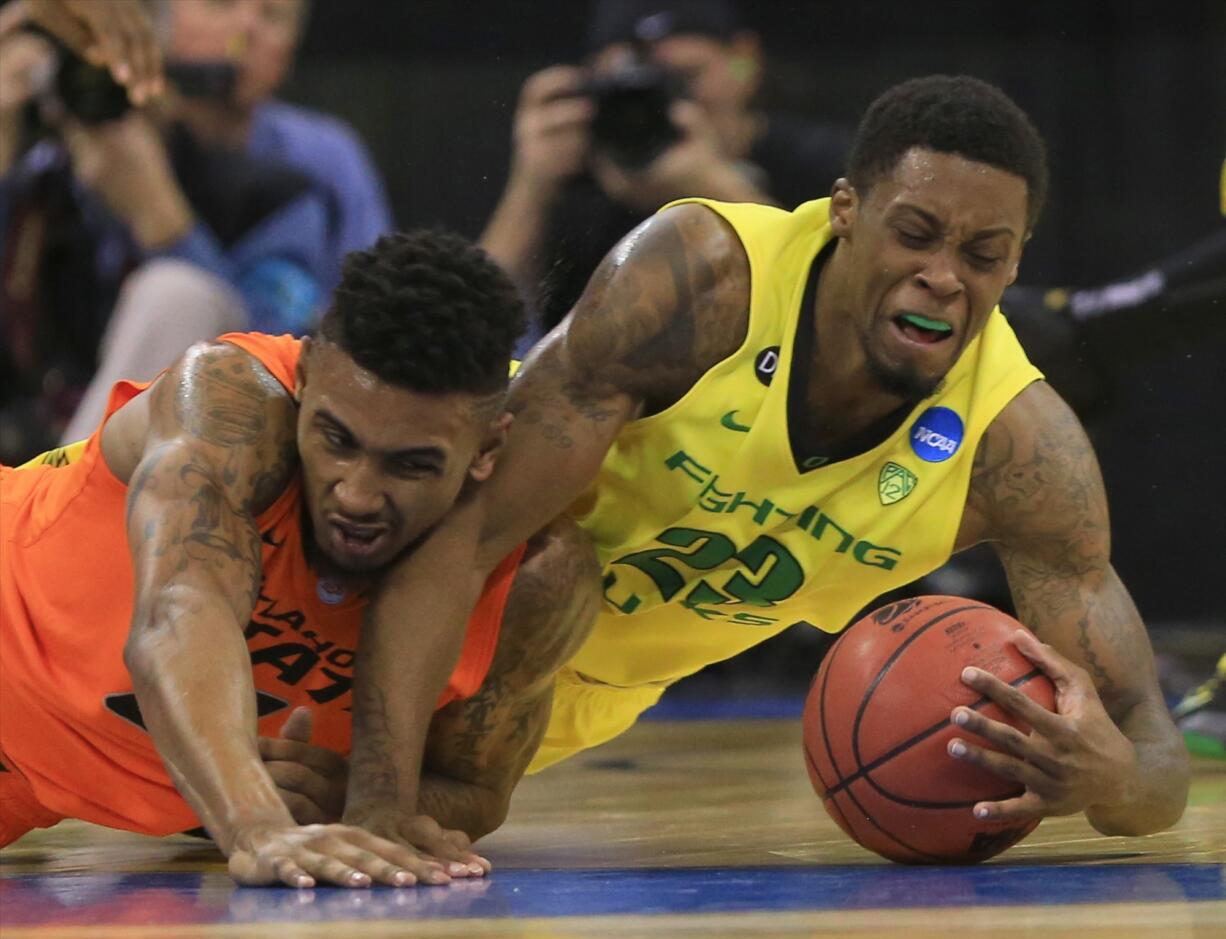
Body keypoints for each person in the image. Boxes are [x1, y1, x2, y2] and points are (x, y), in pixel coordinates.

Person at [338, 75, 1189, 846]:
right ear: (847, 210)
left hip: (571, 697)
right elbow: (471, 536)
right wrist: (376, 793)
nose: (942, 276)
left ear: (1017, 258)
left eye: (982, 254)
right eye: (916, 234)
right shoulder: (703, 280)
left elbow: (1155, 756)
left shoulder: (1019, 449)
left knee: (307, 831)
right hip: (393, 581)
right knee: (548, 570)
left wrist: (1107, 773)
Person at [0, 229, 601, 888]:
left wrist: (355, 794)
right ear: (308, 378)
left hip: (36, 789)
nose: (358, 493)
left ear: (488, 448)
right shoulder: (232, 403)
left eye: (411, 464)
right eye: (337, 439)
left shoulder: (536, 578)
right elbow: (180, 608)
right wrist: (258, 828)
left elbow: (474, 789)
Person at [0, 0, 393, 456]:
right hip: (38, 441)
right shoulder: (45, 175)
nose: (245, 27)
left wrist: (162, 220)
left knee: (176, 293)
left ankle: (55, 511)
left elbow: (283, 358)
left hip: (216, 450)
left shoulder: (283, 189)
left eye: (271, 16)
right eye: (220, 3)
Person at [480, 0, 849, 342]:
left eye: (684, 79)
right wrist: (529, 190)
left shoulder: (823, 164)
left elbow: (843, 314)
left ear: (744, 59)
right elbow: (476, 327)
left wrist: (718, 189)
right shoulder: (573, 178)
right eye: (634, 86)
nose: (662, 107)